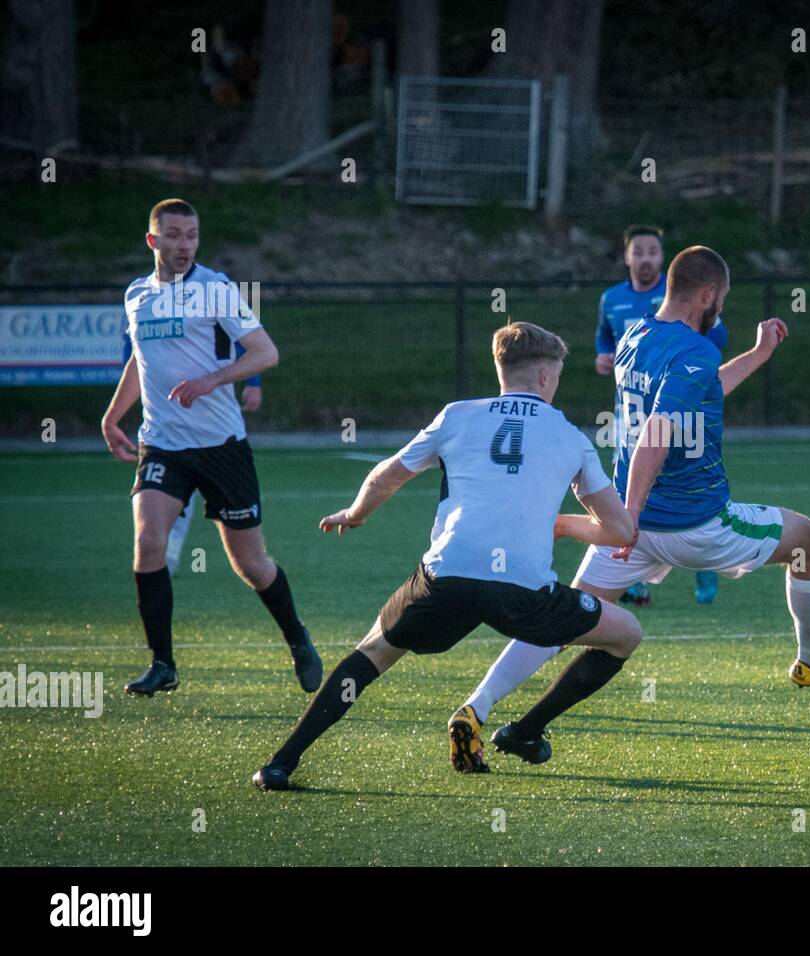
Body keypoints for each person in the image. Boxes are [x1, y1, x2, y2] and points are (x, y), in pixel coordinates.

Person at [453, 246, 810, 770]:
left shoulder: (634, 336)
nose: (721, 310)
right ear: (707, 293)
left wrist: (757, 356)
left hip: (625, 522)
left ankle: (475, 710)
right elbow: (656, 434)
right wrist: (632, 517)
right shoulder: (696, 349)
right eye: (721, 299)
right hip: (695, 523)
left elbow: (700, 394)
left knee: (560, 623)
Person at [253, 321, 641, 789]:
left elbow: (386, 476)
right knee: (624, 635)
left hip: (446, 576)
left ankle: (279, 764)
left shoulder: (456, 415)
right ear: (544, 377)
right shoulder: (571, 437)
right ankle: (526, 731)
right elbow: (620, 530)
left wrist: (356, 513)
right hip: (523, 592)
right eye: (555, 376)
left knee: (373, 651)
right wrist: (562, 524)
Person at [101, 198, 320, 697]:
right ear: (153, 241)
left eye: (193, 235)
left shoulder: (214, 288)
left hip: (222, 447)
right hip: (161, 444)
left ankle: (297, 638)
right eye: (175, 235)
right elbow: (139, 360)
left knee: (251, 565)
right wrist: (113, 416)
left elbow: (267, 352)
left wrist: (210, 381)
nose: (185, 245)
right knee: (149, 542)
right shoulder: (137, 295)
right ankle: (163, 664)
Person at [596, 224, 728, 606]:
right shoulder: (612, 300)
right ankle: (634, 581)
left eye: (653, 251)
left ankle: (705, 571)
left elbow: (713, 340)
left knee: (684, 488)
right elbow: (604, 338)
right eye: (639, 251)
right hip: (632, 411)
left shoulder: (677, 298)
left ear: (662, 258)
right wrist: (603, 358)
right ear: (627, 256)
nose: (646, 258)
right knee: (634, 482)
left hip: (682, 413)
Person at [120, 334, 264, 576]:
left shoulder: (215, 299)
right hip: (168, 422)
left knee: (250, 560)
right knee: (166, 493)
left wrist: (254, 382)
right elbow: (134, 348)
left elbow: (252, 343)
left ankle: (276, 597)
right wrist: (129, 399)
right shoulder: (143, 298)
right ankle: (169, 551)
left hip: (215, 425)